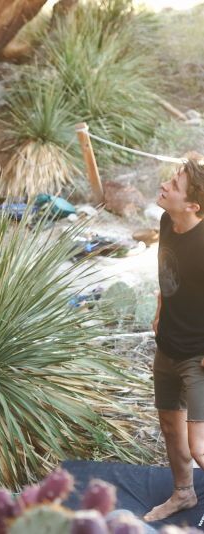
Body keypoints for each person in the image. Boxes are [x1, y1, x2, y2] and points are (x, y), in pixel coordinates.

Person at [143, 153, 204, 522]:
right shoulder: (168, 221)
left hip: (196, 358)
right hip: (166, 346)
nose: (165, 186)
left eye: (175, 186)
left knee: (199, 446)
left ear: (193, 205)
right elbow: (166, 266)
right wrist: (160, 309)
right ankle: (184, 494)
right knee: (170, 425)